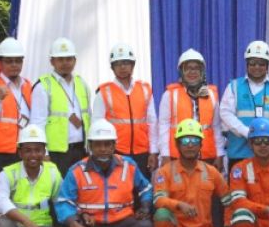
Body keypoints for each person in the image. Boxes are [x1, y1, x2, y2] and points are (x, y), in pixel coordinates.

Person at [56, 119, 154, 227]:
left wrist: (145, 206)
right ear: (90, 146)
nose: (103, 149)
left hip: (122, 224)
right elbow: (63, 201)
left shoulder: (128, 165)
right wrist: (73, 221)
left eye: (107, 144)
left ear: (114, 146)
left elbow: (146, 188)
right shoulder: (77, 170)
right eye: (98, 145)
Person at [152, 119, 237, 227]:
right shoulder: (165, 171)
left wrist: (227, 225)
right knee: (161, 214)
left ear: (201, 145)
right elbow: (158, 199)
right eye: (185, 141)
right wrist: (178, 205)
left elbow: (229, 201)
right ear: (177, 144)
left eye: (195, 141)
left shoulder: (211, 172)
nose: (190, 145)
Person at [30, 37, 92, 176]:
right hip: (56, 154)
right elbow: (37, 123)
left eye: (69, 59)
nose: (65, 63)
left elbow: (89, 118)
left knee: (80, 193)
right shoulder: (43, 86)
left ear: (75, 60)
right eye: (60, 59)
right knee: (57, 193)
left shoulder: (82, 83)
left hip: (81, 151)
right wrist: (43, 154)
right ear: (52, 61)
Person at [92, 42, 157, 174]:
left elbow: (152, 122)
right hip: (115, 153)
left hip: (142, 153)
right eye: (118, 63)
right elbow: (96, 124)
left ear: (133, 65)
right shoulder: (104, 92)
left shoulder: (145, 89)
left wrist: (154, 152)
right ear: (112, 67)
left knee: (141, 191)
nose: (122, 67)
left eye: (126, 63)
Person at [221, 40, 269, 167]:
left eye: (261, 63)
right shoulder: (234, 86)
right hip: (239, 152)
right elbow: (225, 113)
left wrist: (266, 134)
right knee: (238, 187)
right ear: (247, 64)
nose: (257, 67)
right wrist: (247, 133)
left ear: (267, 65)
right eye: (253, 63)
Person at [157, 48, 224, 170]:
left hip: (207, 155)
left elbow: (217, 127)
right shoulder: (170, 94)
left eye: (196, 68)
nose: (192, 72)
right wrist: (164, 155)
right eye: (188, 68)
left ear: (202, 71)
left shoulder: (212, 95)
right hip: (177, 155)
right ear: (181, 71)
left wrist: (220, 154)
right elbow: (163, 127)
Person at [0, 37, 33, 175]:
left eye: (18, 61)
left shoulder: (28, 86)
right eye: (9, 61)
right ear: (0, 63)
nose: (14, 65)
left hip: (24, 151)